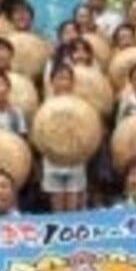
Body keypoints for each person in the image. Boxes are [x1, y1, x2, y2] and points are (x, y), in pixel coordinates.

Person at [41, 64, 87, 213]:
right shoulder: (45, 105)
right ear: (52, 82)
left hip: (75, 159)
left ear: (72, 83)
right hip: (52, 160)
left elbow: (88, 131)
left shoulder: (81, 106)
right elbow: (39, 133)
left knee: (73, 204)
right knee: (57, 205)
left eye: (67, 79)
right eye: (59, 78)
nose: (63, 82)